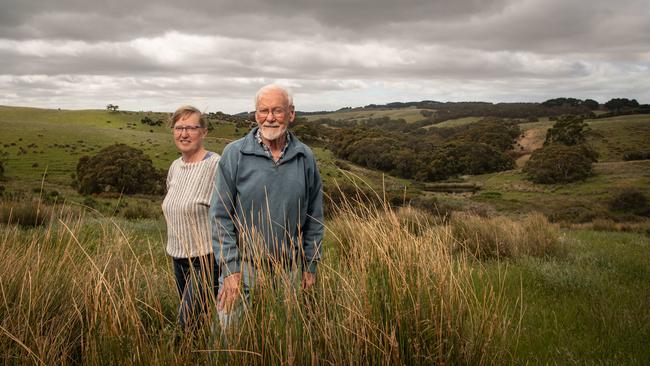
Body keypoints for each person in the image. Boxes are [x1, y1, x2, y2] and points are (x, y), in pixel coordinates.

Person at [212, 84, 324, 321]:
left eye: (277, 111)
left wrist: (310, 266)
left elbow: (314, 218)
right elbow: (220, 217)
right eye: (263, 111)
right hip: (243, 269)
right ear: (255, 114)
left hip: (289, 273)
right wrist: (230, 270)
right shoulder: (235, 154)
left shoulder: (305, 157)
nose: (270, 118)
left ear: (291, 114)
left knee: (283, 347)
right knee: (231, 346)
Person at [162, 105, 221, 330]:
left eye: (191, 128)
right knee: (198, 324)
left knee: (186, 324)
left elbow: (229, 212)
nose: (184, 134)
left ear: (204, 132)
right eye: (179, 128)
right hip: (177, 258)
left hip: (205, 259)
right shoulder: (175, 167)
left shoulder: (215, 164)